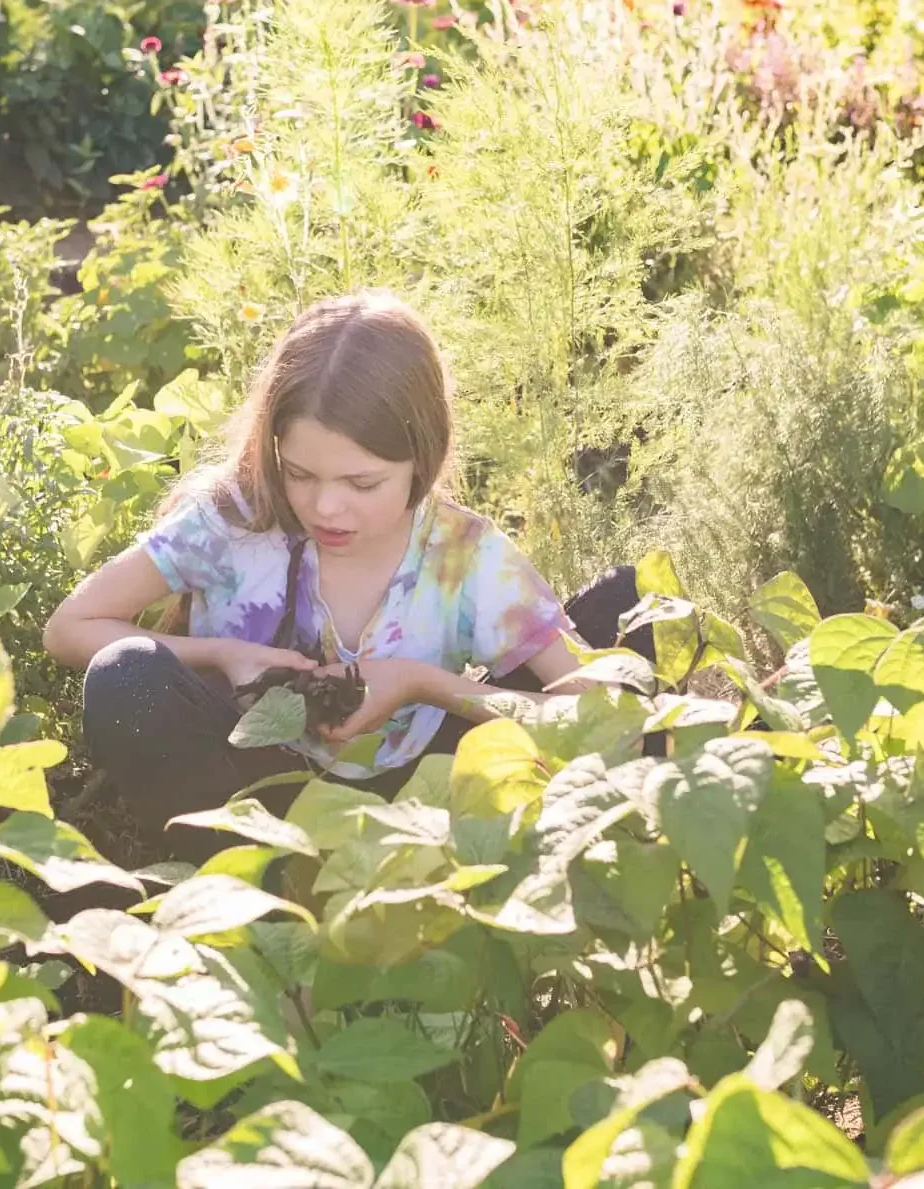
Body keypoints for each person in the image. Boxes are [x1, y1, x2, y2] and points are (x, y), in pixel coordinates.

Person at [42, 291, 647, 853]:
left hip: (422, 804)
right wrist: (223, 654)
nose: (326, 508)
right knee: (127, 679)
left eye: (363, 483)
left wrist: (419, 683)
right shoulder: (237, 519)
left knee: (633, 610)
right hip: (256, 796)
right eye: (300, 474)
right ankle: (260, 909)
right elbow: (71, 627)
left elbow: (602, 723)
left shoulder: (466, 556)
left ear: (423, 458)